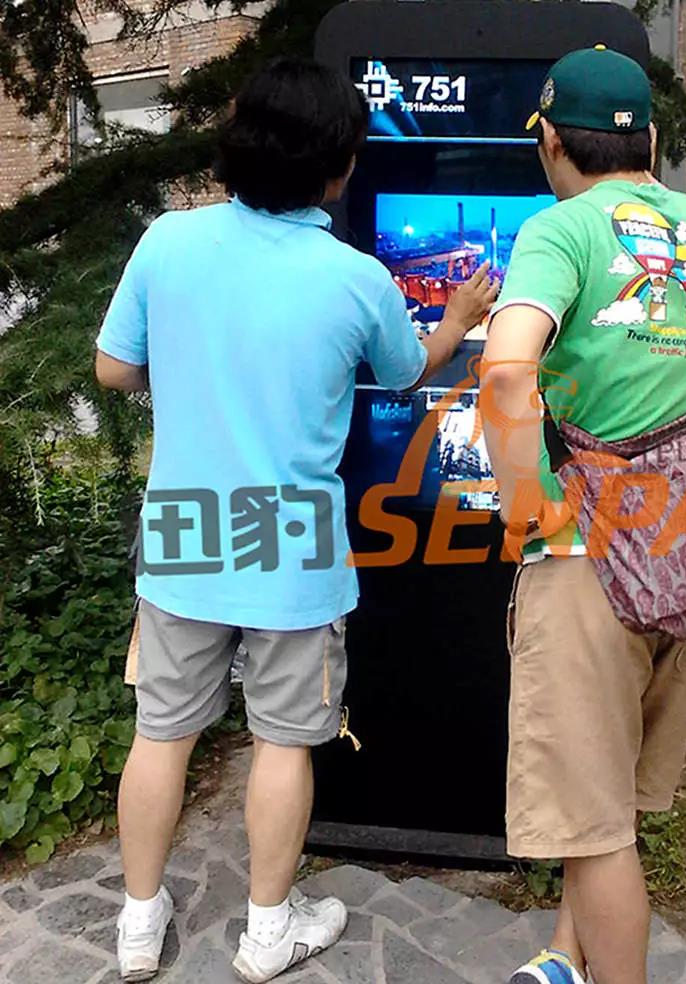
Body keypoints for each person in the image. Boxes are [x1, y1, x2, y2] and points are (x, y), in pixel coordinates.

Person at [95, 57, 497, 984]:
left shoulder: (168, 240)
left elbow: (114, 369)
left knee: (162, 732)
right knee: (283, 738)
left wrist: (189, 370)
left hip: (186, 530)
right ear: (340, 167)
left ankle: (138, 926)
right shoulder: (354, 278)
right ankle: (269, 931)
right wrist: (460, 316)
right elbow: (407, 371)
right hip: (294, 543)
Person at [481, 46, 686, 984]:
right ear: (653, 141)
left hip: (589, 561)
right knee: (612, 788)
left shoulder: (560, 230)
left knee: (592, 829)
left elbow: (506, 369)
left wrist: (527, 507)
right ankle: (564, 953)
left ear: (550, 140)